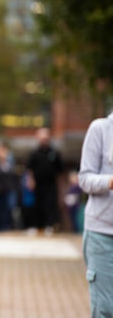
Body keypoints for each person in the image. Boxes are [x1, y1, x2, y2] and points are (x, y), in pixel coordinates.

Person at [78, 112, 113, 316]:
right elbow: (84, 179)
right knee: (106, 309)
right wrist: (110, 181)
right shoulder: (101, 129)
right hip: (103, 234)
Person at [26, 127, 64, 234]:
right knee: (37, 204)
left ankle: (49, 225)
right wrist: (30, 180)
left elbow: (60, 171)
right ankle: (36, 226)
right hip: (38, 183)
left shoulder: (54, 153)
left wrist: (60, 186)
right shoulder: (34, 153)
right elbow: (29, 169)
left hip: (51, 183)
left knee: (50, 204)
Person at [0, 142, 18, 231]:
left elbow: (14, 177)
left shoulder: (10, 164)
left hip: (9, 190)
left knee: (9, 209)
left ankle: (8, 226)